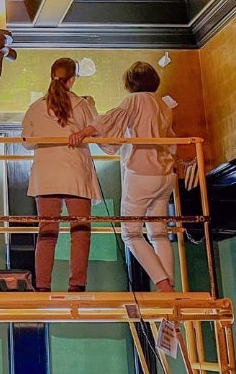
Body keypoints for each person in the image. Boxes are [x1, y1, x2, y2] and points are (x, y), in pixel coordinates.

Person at [69, 61, 177, 292]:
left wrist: (84, 132)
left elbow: (109, 122)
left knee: (131, 234)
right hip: (166, 174)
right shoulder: (163, 105)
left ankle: (163, 284)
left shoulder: (134, 100)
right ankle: (169, 287)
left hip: (141, 173)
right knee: (158, 233)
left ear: (130, 83)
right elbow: (171, 140)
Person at [21, 57, 101, 292]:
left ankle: (43, 286)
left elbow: (26, 142)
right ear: (73, 79)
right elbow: (100, 128)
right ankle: (77, 285)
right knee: (80, 232)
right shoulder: (82, 105)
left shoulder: (36, 107)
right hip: (75, 173)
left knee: (47, 233)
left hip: (46, 176)